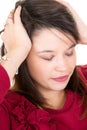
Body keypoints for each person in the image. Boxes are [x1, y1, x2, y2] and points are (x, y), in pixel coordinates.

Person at [0, 0, 87, 129]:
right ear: (23, 58)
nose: (63, 67)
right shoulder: (8, 111)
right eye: (48, 57)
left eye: (69, 53)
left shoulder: (84, 78)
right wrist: (16, 51)